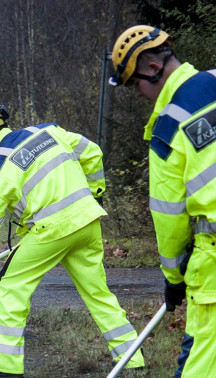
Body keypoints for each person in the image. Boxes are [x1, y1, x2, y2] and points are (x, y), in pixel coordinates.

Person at [0, 100, 145, 377]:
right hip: (87, 222)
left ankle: (6, 367)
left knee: (10, 285)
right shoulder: (47, 132)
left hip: (53, 231)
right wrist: (93, 192)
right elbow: (92, 152)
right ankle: (132, 357)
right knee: (98, 293)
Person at [109, 25, 216, 377]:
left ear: (153, 68)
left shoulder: (169, 126)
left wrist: (173, 279)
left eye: (133, 83)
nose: (136, 93)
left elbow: (168, 216)